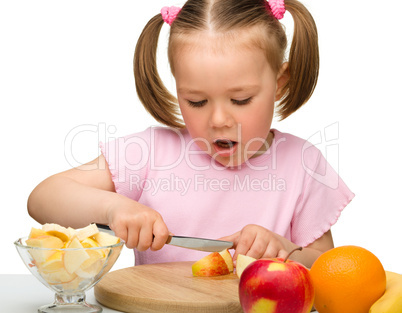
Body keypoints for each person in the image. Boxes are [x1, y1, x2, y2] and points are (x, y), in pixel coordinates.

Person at [28, 0, 354, 268]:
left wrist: (285, 250)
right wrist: (114, 209)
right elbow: (44, 197)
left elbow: (329, 267)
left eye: (241, 99)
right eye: (196, 101)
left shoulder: (303, 164)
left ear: (279, 82)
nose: (219, 119)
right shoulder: (152, 153)